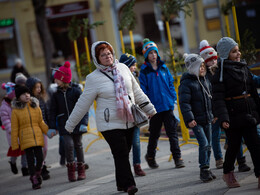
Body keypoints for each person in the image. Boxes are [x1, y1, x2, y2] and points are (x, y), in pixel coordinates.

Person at [65, 41, 156, 194]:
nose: (107, 57)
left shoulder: (123, 68)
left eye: (109, 53)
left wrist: (150, 108)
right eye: (103, 55)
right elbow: (83, 104)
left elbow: (136, 91)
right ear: (97, 58)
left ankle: (120, 182)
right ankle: (129, 185)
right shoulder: (93, 78)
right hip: (109, 123)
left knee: (123, 153)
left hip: (129, 119)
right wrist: (70, 124)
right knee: (120, 152)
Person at [212, 37, 260, 188]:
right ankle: (228, 173)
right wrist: (223, 118)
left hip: (248, 113)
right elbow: (218, 99)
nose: (238, 53)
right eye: (234, 51)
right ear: (226, 54)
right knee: (233, 146)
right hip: (232, 115)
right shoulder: (220, 74)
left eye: (238, 50)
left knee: (255, 145)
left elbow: (253, 91)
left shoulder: (244, 67)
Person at [200, 40, 251, 172]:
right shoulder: (205, 78)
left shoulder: (221, 71)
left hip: (227, 111)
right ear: (205, 63)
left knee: (234, 137)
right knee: (215, 137)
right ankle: (219, 159)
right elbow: (210, 97)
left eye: (214, 59)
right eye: (209, 61)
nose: (213, 63)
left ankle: (241, 161)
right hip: (214, 113)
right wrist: (213, 113)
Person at [139, 38, 185, 169]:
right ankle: (150, 156)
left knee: (172, 133)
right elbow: (143, 90)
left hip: (167, 105)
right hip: (154, 109)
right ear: (146, 55)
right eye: (150, 53)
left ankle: (178, 157)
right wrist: (147, 108)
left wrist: (172, 98)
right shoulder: (144, 72)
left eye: (155, 52)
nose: (153, 55)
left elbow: (170, 84)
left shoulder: (164, 68)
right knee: (154, 134)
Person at [48, 61, 89, 182]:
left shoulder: (76, 91)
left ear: (63, 78)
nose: (55, 81)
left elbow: (84, 107)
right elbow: (52, 111)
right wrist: (51, 127)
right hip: (63, 125)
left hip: (77, 124)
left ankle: (81, 169)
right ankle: (71, 170)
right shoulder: (55, 94)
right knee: (69, 145)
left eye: (57, 79)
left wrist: (84, 123)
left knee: (78, 145)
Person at [178, 53, 215, 182]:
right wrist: (189, 119)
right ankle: (203, 169)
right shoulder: (186, 84)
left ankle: (207, 168)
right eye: (200, 66)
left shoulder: (205, 80)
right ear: (193, 68)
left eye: (203, 66)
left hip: (207, 118)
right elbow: (184, 103)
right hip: (196, 121)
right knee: (204, 144)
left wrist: (214, 114)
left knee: (209, 145)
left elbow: (211, 99)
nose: (203, 68)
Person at [11, 85, 53, 190]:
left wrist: (48, 131)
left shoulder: (35, 106)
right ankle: (34, 179)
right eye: (23, 94)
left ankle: (37, 173)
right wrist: (15, 145)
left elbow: (41, 122)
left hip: (38, 137)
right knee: (30, 160)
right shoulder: (16, 111)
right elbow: (14, 129)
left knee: (40, 158)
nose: (27, 95)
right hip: (25, 139)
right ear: (18, 97)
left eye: (28, 93)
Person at [119, 53, 146, 176]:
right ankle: (125, 167)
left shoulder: (135, 77)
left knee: (136, 141)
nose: (135, 67)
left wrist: (146, 109)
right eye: (132, 65)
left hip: (134, 113)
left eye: (135, 64)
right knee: (125, 144)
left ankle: (137, 165)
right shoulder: (119, 79)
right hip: (122, 114)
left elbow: (139, 95)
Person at [0, 82, 28, 176]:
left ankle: (25, 167)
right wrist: (11, 130)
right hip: (13, 133)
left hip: (22, 131)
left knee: (24, 150)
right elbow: (5, 120)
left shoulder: (18, 104)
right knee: (15, 151)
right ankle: (12, 162)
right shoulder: (4, 107)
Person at [26, 77, 50, 180]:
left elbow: (47, 112)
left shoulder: (42, 99)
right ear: (31, 88)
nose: (39, 89)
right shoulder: (27, 101)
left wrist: (50, 126)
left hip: (43, 128)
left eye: (40, 87)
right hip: (33, 130)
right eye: (37, 87)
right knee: (37, 151)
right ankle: (42, 168)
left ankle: (40, 165)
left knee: (45, 149)